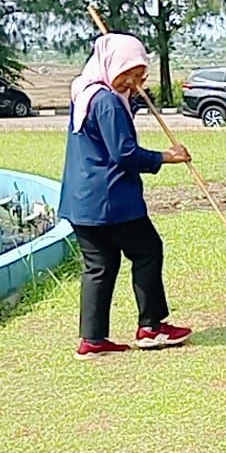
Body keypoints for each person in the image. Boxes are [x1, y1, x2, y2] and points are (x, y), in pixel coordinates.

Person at [58, 33, 193, 360]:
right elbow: (124, 153)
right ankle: (152, 327)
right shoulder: (105, 102)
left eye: (140, 76)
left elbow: (110, 131)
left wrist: (130, 95)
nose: (133, 82)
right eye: (127, 74)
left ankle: (92, 340)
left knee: (99, 265)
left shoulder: (85, 91)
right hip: (112, 200)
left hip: (81, 201)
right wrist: (165, 157)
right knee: (148, 251)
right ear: (110, 65)